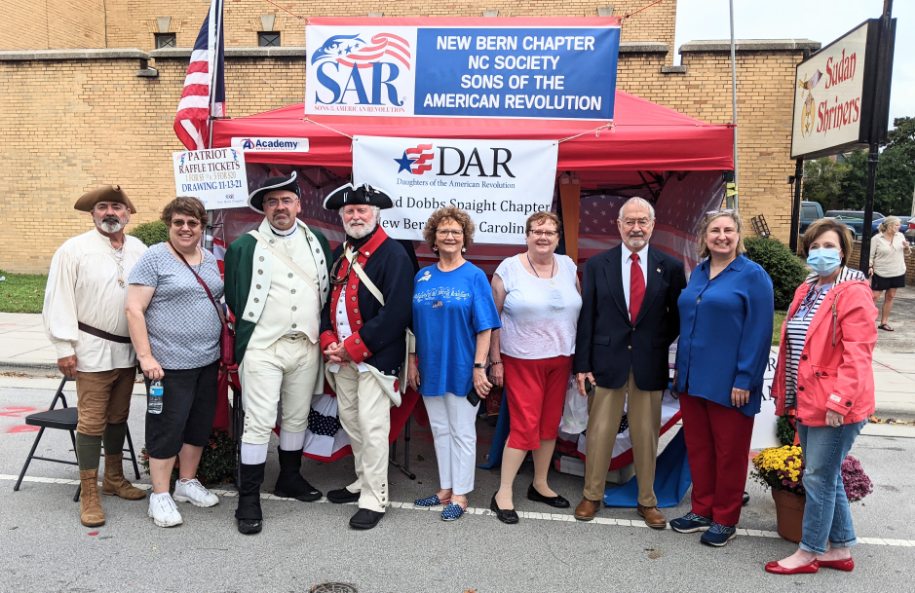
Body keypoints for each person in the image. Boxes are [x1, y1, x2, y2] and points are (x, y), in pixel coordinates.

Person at [765, 219, 877, 575]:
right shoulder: (808, 288)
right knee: (824, 475)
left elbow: (858, 351)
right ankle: (839, 548)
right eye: (814, 246)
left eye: (828, 246)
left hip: (837, 405)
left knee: (818, 477)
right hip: (810, 398)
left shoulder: (852, 291)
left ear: (843, 251)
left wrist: (840, 402)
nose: (820, 252)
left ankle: (810, 550)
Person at [223, 171, 331, 535]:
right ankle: (249, 498)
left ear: (299, 205)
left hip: (306, 346)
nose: (280, 207)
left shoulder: (317, 240)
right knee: (258, 420)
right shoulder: (243, 247)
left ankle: (290, 478)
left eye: (286, 200)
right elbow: (237, 296)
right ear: (264, 208)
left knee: (297, 417)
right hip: (263, 347)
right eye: (272, 201)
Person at [572, 197, 686, 527]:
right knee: (599, 433)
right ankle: (591, 495)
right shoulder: (597, 265)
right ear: (619, 226)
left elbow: (676, 318)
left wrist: (653, 344)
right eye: (630, 221)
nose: (636, 227)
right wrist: (582, 364)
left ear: (652, 225)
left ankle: (647, 500)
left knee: (645, 434)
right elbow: (587, 318)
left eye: (642, 221)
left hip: (649, 363)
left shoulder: (671, 267)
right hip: (606, 361)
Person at [43, 185, 148, 527]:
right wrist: (64, 347)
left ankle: (114, 479)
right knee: (91, 421)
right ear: (93, 214)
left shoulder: (139, 249)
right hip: (89, 349)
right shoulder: (74, 250)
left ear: (127, 213)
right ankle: (89, 492)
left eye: (116, 207)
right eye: (102, 207)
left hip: (127, 350)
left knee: (118, 416)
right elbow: (57, 299)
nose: (110, 213)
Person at [669, 210, 774, 546]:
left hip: (731, 383)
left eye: (729, 230)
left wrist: (745, 379)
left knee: (729, 452)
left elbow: (759, 333)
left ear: (738, 235)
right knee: (699, 449)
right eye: (715, 230)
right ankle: (702, 510)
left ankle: (725, 518)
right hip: (692, 379)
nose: (722, 236)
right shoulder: (699, 271)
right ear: (705, 236)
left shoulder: (753, 275)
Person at [318, 183, 414, 530]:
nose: (355, 216)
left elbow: (398, 312)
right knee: (353, 423)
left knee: (373, 428)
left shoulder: (394, 254)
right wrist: (329, 339)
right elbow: (329, 303)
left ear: (376, 215)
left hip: (375, 357)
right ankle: (361, 480)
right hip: (342, 358)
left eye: (362, 211)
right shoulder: (342, 253)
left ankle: (375, 498)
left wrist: (353, 347)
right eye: (349, 212)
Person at [125, 197, 223, 528]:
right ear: (169, 224)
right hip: (166, 364)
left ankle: (187, 482)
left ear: (201, 227)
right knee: (166, 428)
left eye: (192, 223)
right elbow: (133, 309)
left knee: (197, 426)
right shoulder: (154, 259)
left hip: (207, 360)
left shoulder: (208, 259)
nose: (185, 228)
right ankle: (160, 494)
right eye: (179, 222)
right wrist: (146, 357)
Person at [408, 207, 500, 522]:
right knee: (439, 430)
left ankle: (460, 495)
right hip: (430, 366)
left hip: (462, 365)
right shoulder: (422, 276)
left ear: (464, 239)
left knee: (462, 431)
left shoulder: (474, 276)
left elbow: (486, 326)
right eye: (444, 231)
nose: (450, 236)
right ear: (433, 239)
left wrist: (479, 367)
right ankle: (445, 488)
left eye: (456, 232)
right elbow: (412, 325)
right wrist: (411, 362)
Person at [488, 212, 581, 524]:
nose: (544, 237)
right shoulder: (509, 269)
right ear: (526, 235)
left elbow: (578, 307)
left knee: (548, 425)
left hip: (561, 358)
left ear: (557, 237)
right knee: (525, 425)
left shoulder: (568, 266)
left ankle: (540, 484)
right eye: (537, 231)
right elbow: (492, 318)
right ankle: (503, 492)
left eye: (550, 232)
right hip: (521, 359)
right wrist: (495, 359)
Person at [869, 215, 911, 331]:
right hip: (880, 271)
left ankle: (884, 323)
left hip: (897, 271)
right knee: (874, 297)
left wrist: (907, 247)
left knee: (890, 296)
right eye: (897, 225)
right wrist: (870, 266)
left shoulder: (900, 236)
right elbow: (870, 256)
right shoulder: (877, 239)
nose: (899, 227)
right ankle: (868, 322)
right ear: (890, 225)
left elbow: (907, 253)